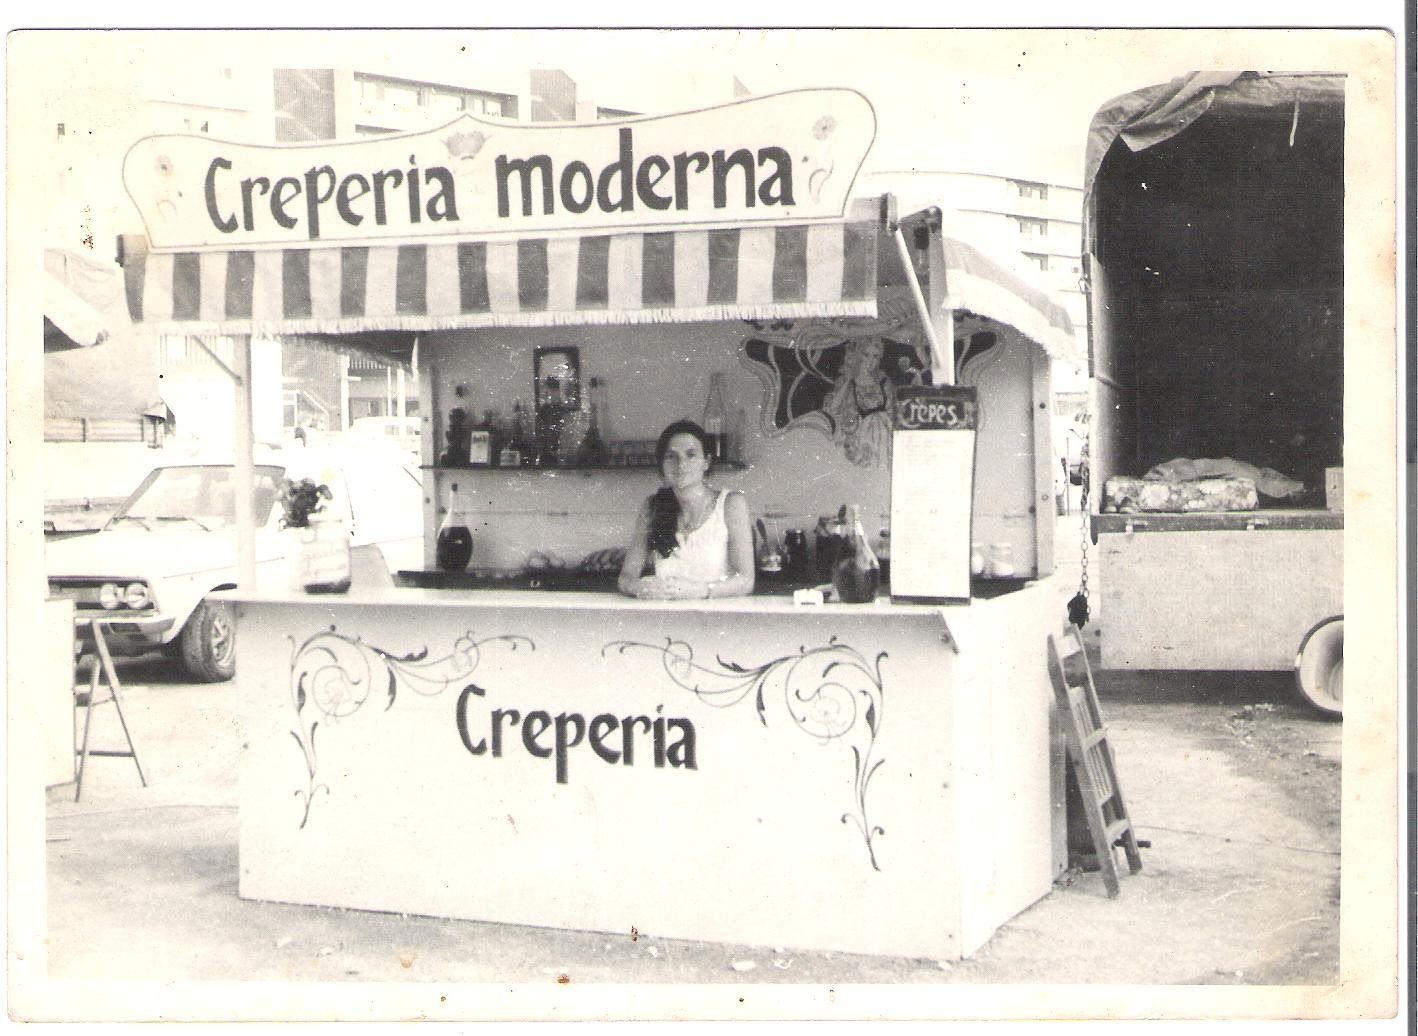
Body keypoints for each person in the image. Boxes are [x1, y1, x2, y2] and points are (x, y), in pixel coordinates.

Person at [617, 420, 756, 601]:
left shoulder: (731, 504)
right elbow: (625, 578)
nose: (681, 464)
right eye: (671, 456)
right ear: (662, 465)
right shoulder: (653, 507)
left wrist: (701, 591)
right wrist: (639, 586)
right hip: (666, 615)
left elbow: (745, 581)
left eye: (691, 455)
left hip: (718, 615)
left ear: (706, 462)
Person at [822, 337, 896, 467]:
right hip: (862, 434)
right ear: (858, 355)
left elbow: (892, 410)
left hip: (885, 433)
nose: (871, 361)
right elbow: (833, 408)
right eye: (866, 355)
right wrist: (848, 379)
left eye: (875, 356)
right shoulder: (849, 382)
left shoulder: (883, 381)